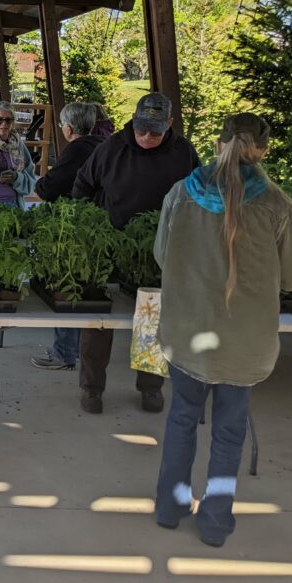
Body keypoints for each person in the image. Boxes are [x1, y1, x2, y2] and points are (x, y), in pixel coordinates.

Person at [154, 113, 292, 547]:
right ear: (262, 151)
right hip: (245, 342)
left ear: (217, 143)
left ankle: (169, 508)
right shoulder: (277, 205)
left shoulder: (180, 194)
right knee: (230, 432)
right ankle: (214, 522)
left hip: (187, 333)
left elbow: (161, 255)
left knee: (181, 419)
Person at [72, 92, 201, 415]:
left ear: (169, 125)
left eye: (154, 132)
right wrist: (90, 228)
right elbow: (81, 188)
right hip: (109, 246)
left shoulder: (183, 153)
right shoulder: (111, 148)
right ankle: (91, 387)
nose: (146, 137)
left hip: (157, 250)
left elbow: (199, 196)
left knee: (151, 317)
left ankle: (150, 386)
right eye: (141, 129)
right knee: (98, 318)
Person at [32, 102, 105, 371]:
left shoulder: (77, 149)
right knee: (89, 291)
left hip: (74, 227)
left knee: (67, 285)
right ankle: (81, 356)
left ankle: (64, 352)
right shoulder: (103, 144)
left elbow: (50, 188)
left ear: (69, 127)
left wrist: (41, 182)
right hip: (96, 226)